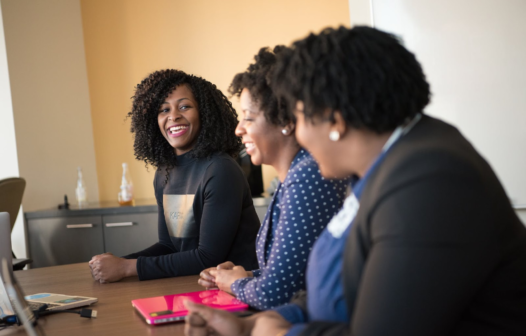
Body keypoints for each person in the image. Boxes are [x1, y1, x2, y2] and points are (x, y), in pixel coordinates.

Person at [184, 26, 526, 336]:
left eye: (300, 118)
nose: (299, 135)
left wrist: (275, 333)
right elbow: (348, 286)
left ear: (335, 119)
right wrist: (255, 323)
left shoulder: (430, 179)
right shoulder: (388, 165)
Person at [197, 46, 348, 310]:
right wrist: (242, 277)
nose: (238, 128)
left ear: (286, 121)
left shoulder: (307, 176)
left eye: (248, 118)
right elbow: (295, 276)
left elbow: (275, 295)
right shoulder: (295, 175)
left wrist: (235, 284)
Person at [89, 69, 260, 283]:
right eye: (163, 110)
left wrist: (126, 268)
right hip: (190, 284)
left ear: (204, 113)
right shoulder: (164, 173)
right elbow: (169, 246)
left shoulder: (220, 169)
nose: (173, 116)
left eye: (184, 106)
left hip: (238, 292)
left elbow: (207, 257)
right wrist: (118, 263)